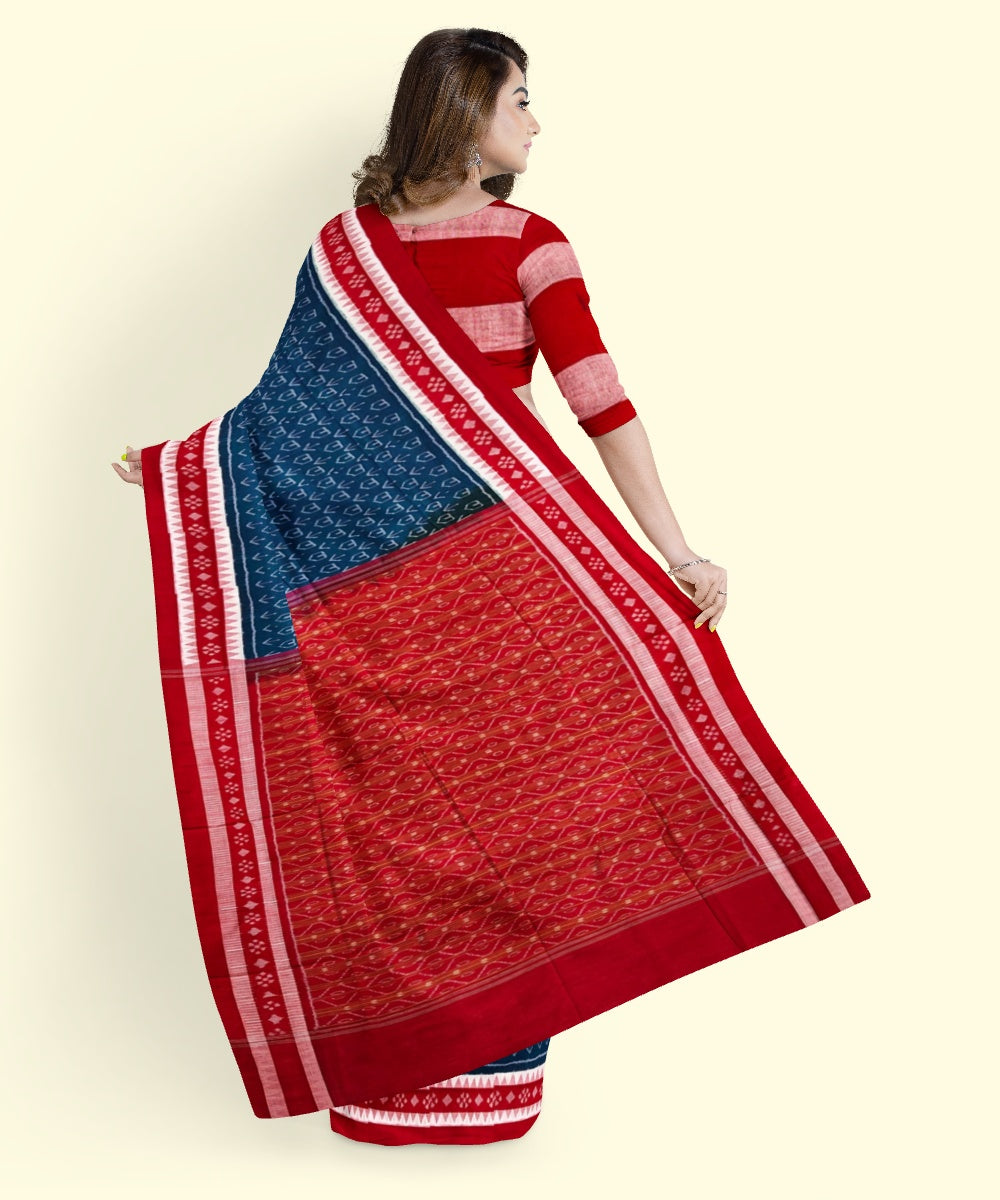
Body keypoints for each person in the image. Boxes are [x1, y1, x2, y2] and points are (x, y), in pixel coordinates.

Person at [113, 27, 868, 1149]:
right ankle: (404, 1075)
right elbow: (290, 412)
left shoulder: (509, 245)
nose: (535, 121)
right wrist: (187, 462)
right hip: (412, 591)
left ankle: (476, 1076)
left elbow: (597, 404)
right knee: (419, 832)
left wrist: (677, 554)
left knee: (492, 830)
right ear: (464, 110)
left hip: (489, 588)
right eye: (520, 99)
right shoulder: (352, 256)